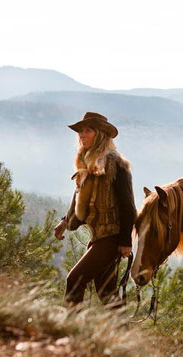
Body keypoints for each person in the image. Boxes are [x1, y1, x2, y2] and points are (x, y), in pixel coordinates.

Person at [54, 112, 136, 307]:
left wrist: (126, 241)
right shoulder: (86, 161)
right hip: (99, 237)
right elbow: (79, 197)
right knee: (106, 292)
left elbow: (128, 205)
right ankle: (122, 334)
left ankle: (74, 331)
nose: (82, 135)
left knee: (74, 281)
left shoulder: (116, 164)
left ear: (99, 134)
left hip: (112, 238)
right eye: (81, 131)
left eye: (87, 131)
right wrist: (65, 222)